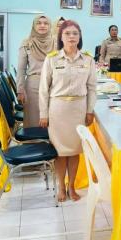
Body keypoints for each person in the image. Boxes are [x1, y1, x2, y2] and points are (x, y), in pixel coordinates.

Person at [39, 20, 97, 202]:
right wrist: (43, 114)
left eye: (75, 33)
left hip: (78, 109)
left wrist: (90, 111)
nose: (71, 37)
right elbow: (43, 89)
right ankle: (61, 187)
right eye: (67, 33)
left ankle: (72, 186)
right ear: (61, 37)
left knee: (75, 150)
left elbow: (92, 88)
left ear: (80, 37)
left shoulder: (88, 59)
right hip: (58, 110)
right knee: (60, 151)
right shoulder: (52, 59)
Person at [17, 15, 55, 127]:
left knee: (53, 119)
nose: (42, 25)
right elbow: (21, 69)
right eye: (39, 23)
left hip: (54, 85)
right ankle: (33, 138)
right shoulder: (26, 43)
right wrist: (20, 90)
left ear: (50, 26)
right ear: (34, 26)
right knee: (34, 120)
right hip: (33, 85)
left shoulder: (57, 43)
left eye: (46, 23)